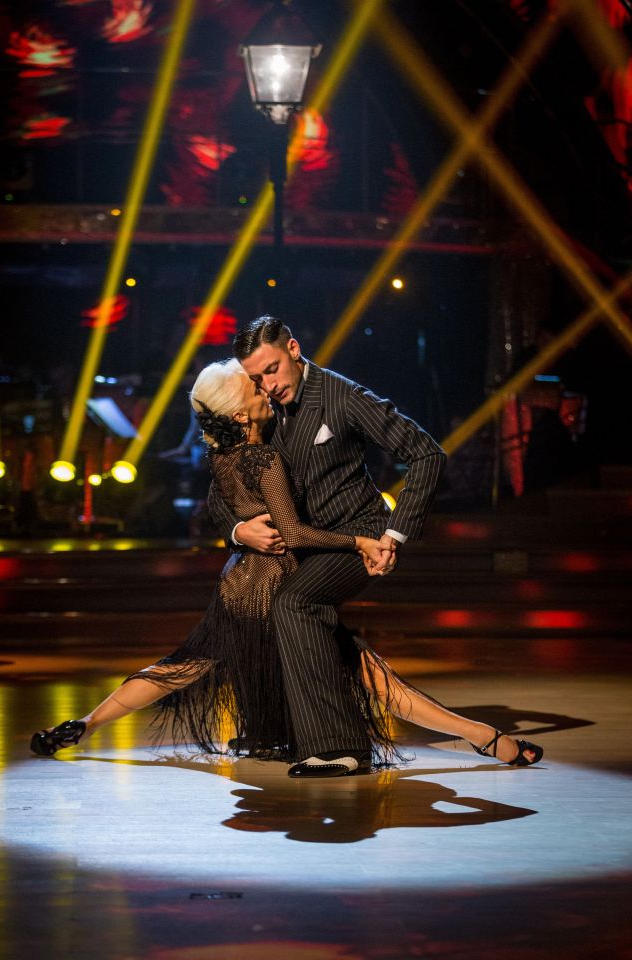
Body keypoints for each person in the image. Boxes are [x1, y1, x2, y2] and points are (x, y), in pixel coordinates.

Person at [30, 357, 543, 773]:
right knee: (366, 675)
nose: (263, 388)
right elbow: (273, 526)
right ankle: (482, 736)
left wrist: (243, 532)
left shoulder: (223, 452)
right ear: (239, 411)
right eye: (253, 386)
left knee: (183, 665)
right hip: (274, 584)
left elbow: (237, 504)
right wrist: (353, 540)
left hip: (239, 584)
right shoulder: (263, 454)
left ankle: (85, 723)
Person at [207, 316, 542, 777]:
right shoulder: (262, 411)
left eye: (272, 369)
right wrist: (238, 531)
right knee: (345, 656)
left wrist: (393, 535)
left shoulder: (340, 395)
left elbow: (427, 452)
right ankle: (483, 736)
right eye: (256, 377)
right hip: (303, 548)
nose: (267, 384)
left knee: (295, 604)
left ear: (294, 349)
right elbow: (221, 486)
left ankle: (340, 748)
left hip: (356, 539)